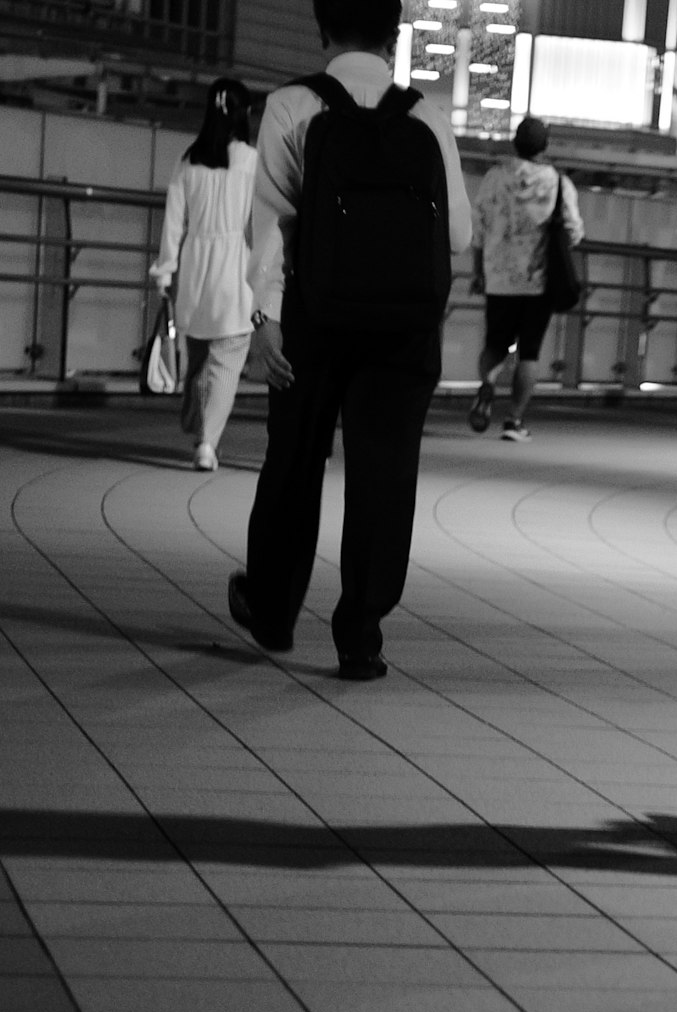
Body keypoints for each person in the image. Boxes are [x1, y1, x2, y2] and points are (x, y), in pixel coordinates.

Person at [228, 0, 475, 681]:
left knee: (295, 463)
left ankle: (274, 612)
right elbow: (456, 235)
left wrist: (265, 320)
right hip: (402, 331)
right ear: (394, 35)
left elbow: (270, 223)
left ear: (323, 26)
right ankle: (360, 636)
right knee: (384, 478)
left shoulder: (290, 106)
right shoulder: (426, 117)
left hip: (313, 318)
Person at [153, 79, 265, 472]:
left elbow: (173, 221)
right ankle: (206, 442)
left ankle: (196, 419)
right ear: (244, 114)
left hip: (196, 266)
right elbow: (261, 225)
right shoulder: (252, 162)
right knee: (226, 361)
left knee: (199, 356)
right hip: (236, 270)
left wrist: (165, 270)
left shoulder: (189, 160)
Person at [465, 115, 582, 441]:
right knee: (529, 352)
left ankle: (487, 385)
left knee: (494, 343)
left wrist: (479, 271)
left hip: (499, 277)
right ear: (544, 146)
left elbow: (478, 227)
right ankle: (513, 421)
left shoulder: (493, 178)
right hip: (538, 282)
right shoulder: (559, 183)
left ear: (515, 143)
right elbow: (573, 232)